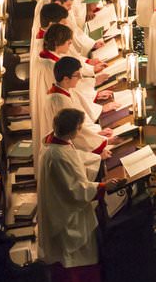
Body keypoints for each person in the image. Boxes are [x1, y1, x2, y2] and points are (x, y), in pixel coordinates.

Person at [37, 108, 123, 282]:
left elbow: (75, 157)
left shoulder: (56, 142)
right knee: (75, 255)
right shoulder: (58, 155)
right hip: (67, 214)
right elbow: (75, 189)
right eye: (79, 127)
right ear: (71, 130)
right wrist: (103, 186)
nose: (79, 131)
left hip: (60, 206)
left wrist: (97, 157)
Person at [31, 25, 109, 155]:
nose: (70, 45)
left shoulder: (50, 61)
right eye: (68, 43)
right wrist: (100, 142)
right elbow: (71, 124)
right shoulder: (51, 67)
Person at [43, 57, 119, 160]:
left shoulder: (64, 90)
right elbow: (75, 133)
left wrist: (96, 135)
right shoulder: (60, 100)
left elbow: (81, 123)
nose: (80, 78)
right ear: (66, 79)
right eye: (77, 75)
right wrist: (104, 141)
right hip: (69, 152)